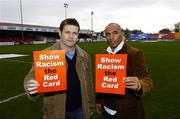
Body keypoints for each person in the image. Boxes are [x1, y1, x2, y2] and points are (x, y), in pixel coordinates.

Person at [24, 18, 94, 119]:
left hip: (81, 109)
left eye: (74, 33)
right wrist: (31, 84)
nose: (71, 36)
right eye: (67, 32)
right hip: (56, 112)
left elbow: (88, 84)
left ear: (78, 35)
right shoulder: (46, 55)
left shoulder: (85, 56)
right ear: (60, 33)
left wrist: (90, 105)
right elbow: (30, 76)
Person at [96, 23, 153, 119]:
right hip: (106, 110)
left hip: (126, 112)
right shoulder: (103, 55)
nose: (111, 37)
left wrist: (139, 84)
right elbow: (103, 81)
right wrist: (99, 100)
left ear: (122, 34)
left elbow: (148, 80)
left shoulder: (134, 54)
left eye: (115, 33)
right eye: (108, 34)